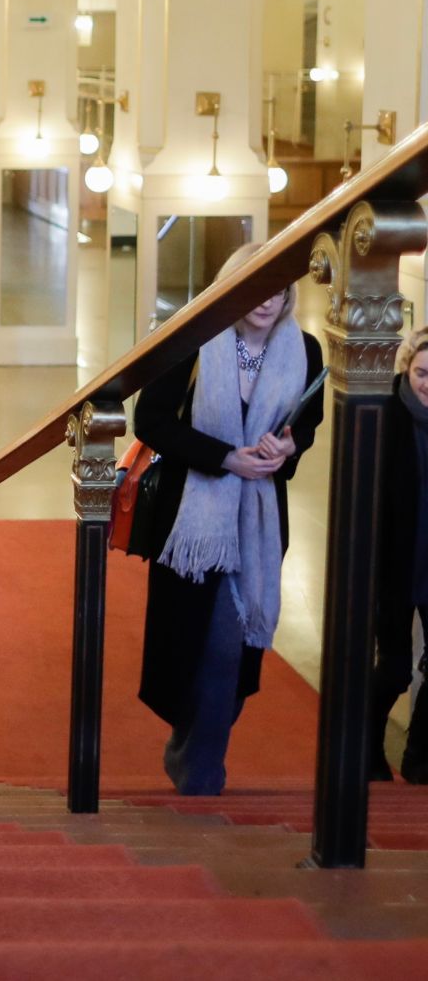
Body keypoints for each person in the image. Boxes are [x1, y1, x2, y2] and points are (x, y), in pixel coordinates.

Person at [135, 241, 323, 796]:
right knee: (190, 648)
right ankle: (194, 754)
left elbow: (306, 425)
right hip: (192, 524)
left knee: (231, 652)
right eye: (254, 289)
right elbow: (150, 420)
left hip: (259, 524)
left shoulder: (305, 350)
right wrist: (225, 457)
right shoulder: (194, 340)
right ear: (230, 288)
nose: (267, 301)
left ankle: (200, 767)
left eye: (279, 289)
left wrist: (287, 450)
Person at [370, 326, 428, 784]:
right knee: (393, 670)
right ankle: (366, 746)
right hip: (394, 564)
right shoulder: (385, 416)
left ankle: (419, 757)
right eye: (423, 372)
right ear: (408, 368)